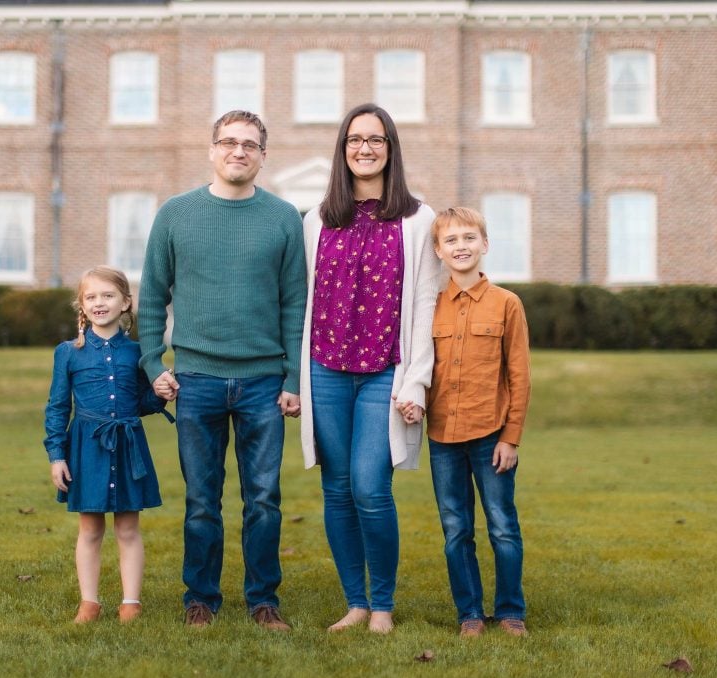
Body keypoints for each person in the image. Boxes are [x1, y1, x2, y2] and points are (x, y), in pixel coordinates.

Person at [138, 110, 307, 631]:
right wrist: (152, 363)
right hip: (197, 381)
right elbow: (150, 298)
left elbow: (294, 303)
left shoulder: (283, 217)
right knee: (201, 502)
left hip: (262, 384)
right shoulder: (175, 214)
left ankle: (263, 600)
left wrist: (291, 379)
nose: (239, 152)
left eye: (250, 145)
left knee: (263, 500)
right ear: (211, 150)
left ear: (263, 156)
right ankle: (201, 598)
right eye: (229, 143)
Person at [298, 103, 439, 634]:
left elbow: (427, 301)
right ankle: (354, 603)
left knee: (370, 487)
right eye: (355, 139)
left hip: (386, 370)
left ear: (390, 148)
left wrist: (417, 380)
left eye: (375, 139)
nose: (365, 148)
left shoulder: (417, 219)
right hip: (326, 369)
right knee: (336, 489)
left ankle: (383, 605)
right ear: (342, 149)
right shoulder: (316, 220)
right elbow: (302, 301)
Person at [425, 207, 532, 638]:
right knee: (455, 530)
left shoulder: (507, 304)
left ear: (484, 244)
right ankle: (469, 613)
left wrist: (512, 436)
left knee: (502, 526)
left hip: (491, 436)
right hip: (442, 437)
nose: (461, 246)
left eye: (469, 238)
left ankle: (510, 611)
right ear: (438, 251)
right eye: (451, 240)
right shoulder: (429, 307)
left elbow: (519, 375)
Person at [43, 266, 171, 624]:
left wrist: (160, 395)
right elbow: (56, 407)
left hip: (128, 446)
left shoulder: (139, 353)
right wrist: (57, 456)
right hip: (86, 448)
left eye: (108, 295)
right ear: (81, 306)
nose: (99, 303)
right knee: (90, 528)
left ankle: (131, 602)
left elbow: (141, 403)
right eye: (91, 297)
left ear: (126, 303)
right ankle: (90, 602)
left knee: (128, 529)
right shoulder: (68, 353)